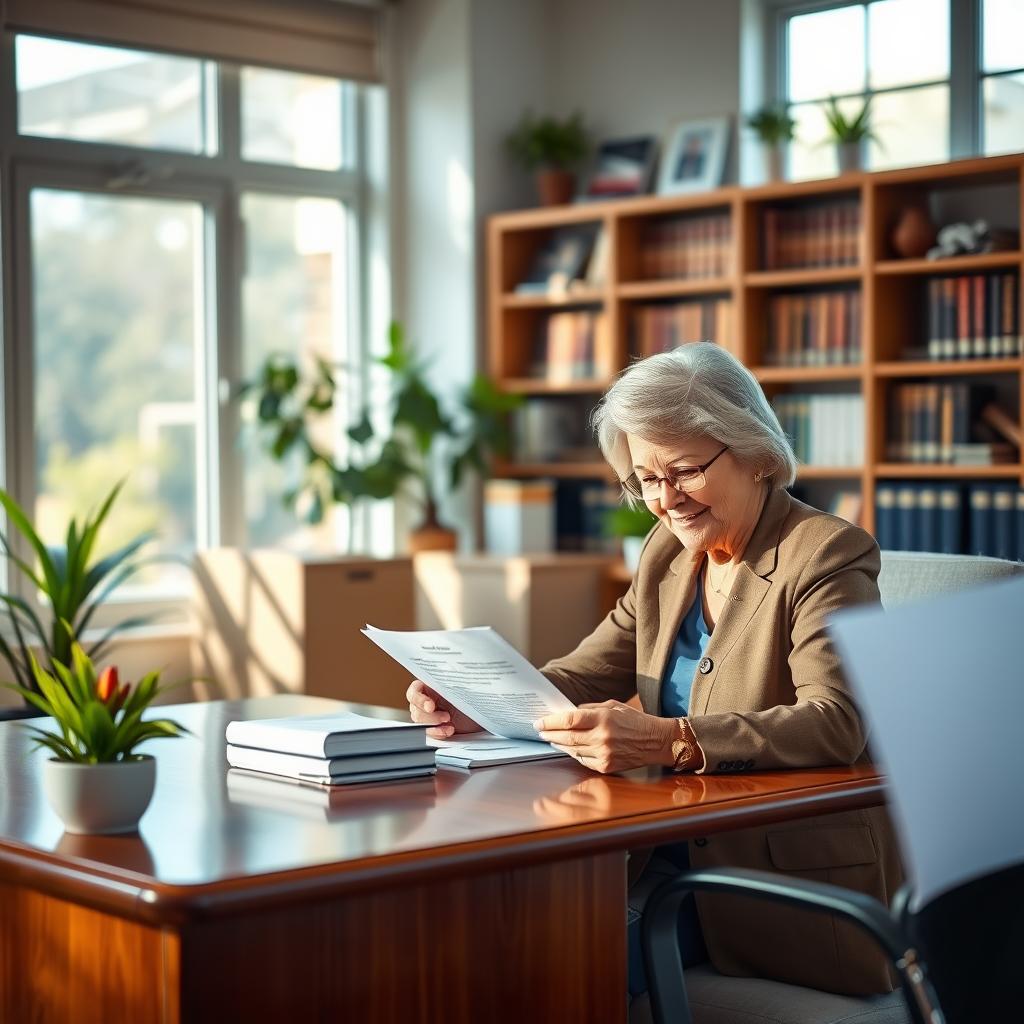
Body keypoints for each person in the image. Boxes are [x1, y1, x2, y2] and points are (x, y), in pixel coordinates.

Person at [406, 341, 903, 999]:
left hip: (772, 885)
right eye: (645, 478)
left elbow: (836, 723)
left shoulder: (826, 554)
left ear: (753, 453)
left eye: (685, 470)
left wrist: (671, 740)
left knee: (543, 966)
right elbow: (584, 675)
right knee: (470, 937)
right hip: (653, 857)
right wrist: (475, 698)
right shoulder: (666, 554)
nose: (664, 499)